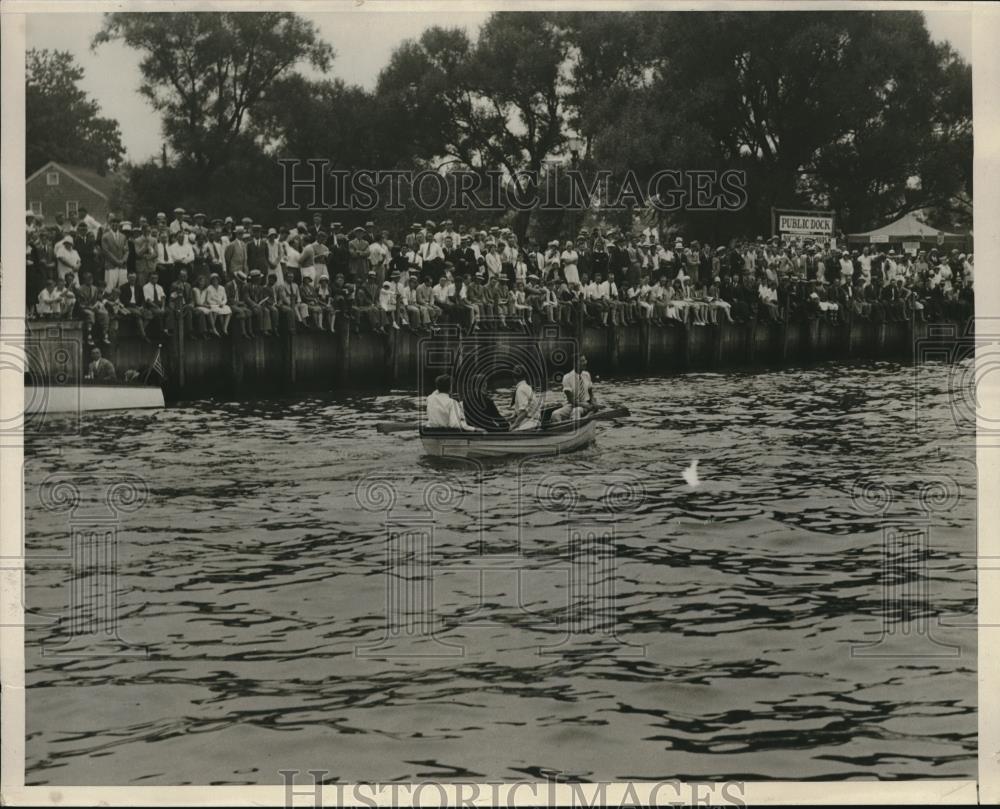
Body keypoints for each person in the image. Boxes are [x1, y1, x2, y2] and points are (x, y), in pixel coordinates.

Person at [509, 365, 542, 431]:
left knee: (511, 431)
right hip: (533, 419)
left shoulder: (520, 389)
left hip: (530, 421)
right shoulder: (527, 387)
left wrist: (513, 426)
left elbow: (523, 412)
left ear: (514, 378)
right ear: (525, 376)